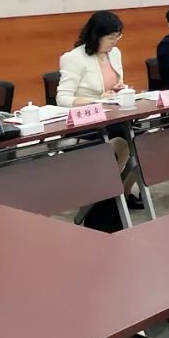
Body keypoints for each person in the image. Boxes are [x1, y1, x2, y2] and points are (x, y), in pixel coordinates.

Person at [56, 11, 139, 208]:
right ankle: (104, 197)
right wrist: (97, 101)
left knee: (142, 141)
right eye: (111, 37)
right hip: (87, 122)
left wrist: (119, 89)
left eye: (118, 36)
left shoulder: (114, 53)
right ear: (96, 35)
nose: (114, 42)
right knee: (119, 143)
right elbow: (63, 98)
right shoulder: (74, 58)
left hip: (113, 116)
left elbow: (113, 85)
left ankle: (121, 191)